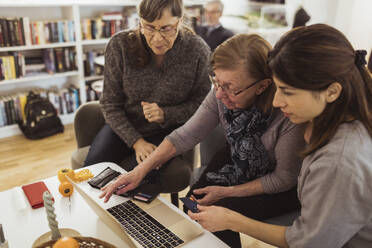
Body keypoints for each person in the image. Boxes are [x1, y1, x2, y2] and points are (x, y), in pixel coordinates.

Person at [100, 33, 306, 247]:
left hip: (283, 185)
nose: (218, 95)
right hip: (237, 156)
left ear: (261, 86)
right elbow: (185, 135)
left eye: (230, 88)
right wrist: (141, 171)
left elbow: (284, 178)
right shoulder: (221, 90)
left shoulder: (288, 113)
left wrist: (227, 192)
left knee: (217, 212)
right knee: (193, 204)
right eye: (216, 82)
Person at [187, 24, 372, 248]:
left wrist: (231, 220)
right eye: (277, 89)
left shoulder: (338, 162)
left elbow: (308, 243)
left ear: (332, 92)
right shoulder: (335, 124)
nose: (276, 101)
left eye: (288, 92)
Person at [84, 0, 211, 176]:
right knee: (91, 173)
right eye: (149, 28)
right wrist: (137, 142)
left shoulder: (197, 50)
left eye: (166, 28)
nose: (157, 39)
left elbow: (203, 106)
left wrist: (166, 114)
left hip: (169, 132)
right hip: (125, 127)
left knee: (129, 182)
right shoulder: (119, 45)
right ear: (140, 22)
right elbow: (110, 103)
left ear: (179, 21)